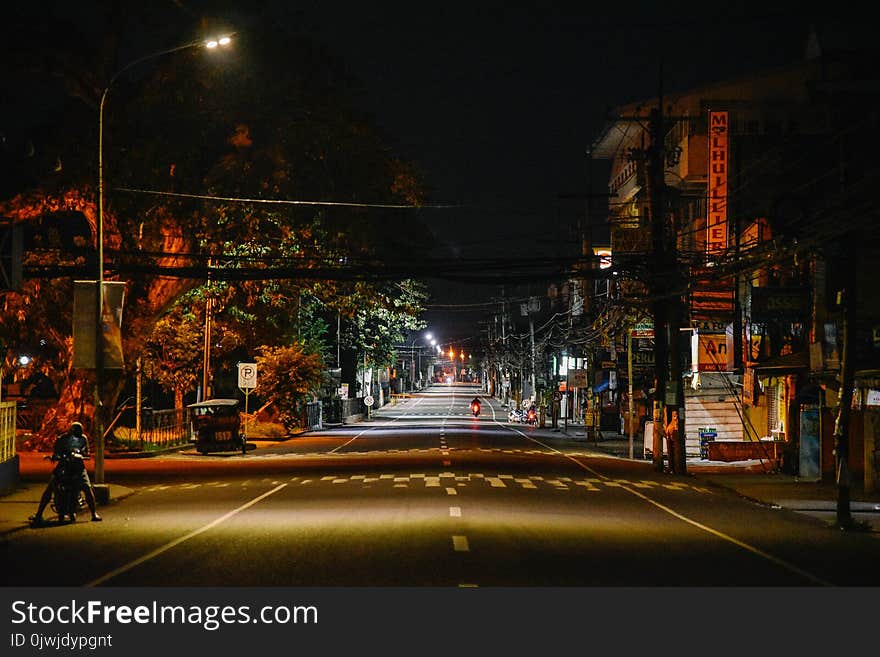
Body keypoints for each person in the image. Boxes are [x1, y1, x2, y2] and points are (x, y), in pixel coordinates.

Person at [30, 421, 102, 525]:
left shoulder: (83, 439)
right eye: (76, 432)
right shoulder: (62, 439)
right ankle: (39, 514)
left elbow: (87, 453)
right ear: (71, 431)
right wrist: (59, 457)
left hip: (78, 468)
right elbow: (56, 454)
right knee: (50, 487)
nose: (78, 434)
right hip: (64, 466)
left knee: (87, 487)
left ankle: (94, 513)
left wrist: (82, 454)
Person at [664, 407, 680, 474]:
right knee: (671, 454)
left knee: (675, 454)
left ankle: (675, 468)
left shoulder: (676, 423)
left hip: (675, 438)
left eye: (675, 415)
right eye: (674, 415)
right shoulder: (671, 424)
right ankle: (672, 468)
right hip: (671, 438)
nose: (675, 417)